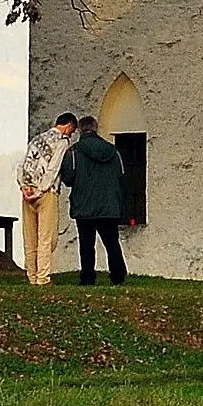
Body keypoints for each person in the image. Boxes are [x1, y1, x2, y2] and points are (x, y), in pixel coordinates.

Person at [59, 115, 128, 286]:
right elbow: (121, 176)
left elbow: (68, 178)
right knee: (112, 243)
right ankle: (118, 276)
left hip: (84, 205)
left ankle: (88, 278)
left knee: (86, 244)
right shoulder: (113, 151)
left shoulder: (74, 152)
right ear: (96, 129)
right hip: (109, 205)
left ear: (80, 130)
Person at [16, 111, 79, 286]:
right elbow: (53, 168)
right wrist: (41, 189)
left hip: (27, 191)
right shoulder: (61, 142)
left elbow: (22, 166)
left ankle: (32, 275)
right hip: (46, 193)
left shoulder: (37, 139)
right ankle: (43, 277)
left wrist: (24, 187)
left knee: (30, 238)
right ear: (68, 127)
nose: (71, 135)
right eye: (72, 131)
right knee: (47, 237)